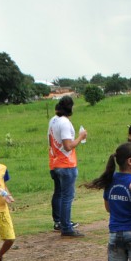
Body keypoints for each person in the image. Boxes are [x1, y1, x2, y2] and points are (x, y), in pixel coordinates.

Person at [48, 95, 88, 236]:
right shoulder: (65, 123)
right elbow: (68, 145)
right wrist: (81, 137)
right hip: (66, 164)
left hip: (54, 162)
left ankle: (59, 221)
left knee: (58, 193)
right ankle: (66, 227)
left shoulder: (53, 120)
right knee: (67, 196)